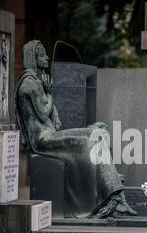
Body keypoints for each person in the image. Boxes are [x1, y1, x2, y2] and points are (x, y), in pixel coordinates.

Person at [15, 40, 137, 218]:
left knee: (97, 133)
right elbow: (42, 114)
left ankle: (117, 197)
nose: (47, 58)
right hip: (42, 140)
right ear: (32, 58)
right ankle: (112, 196)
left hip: (50, 134)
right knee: (92, 137)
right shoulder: (29, 84)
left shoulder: (37, 82)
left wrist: (47, 94)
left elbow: (51, 119)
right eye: (41, 54)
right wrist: (49, 93)